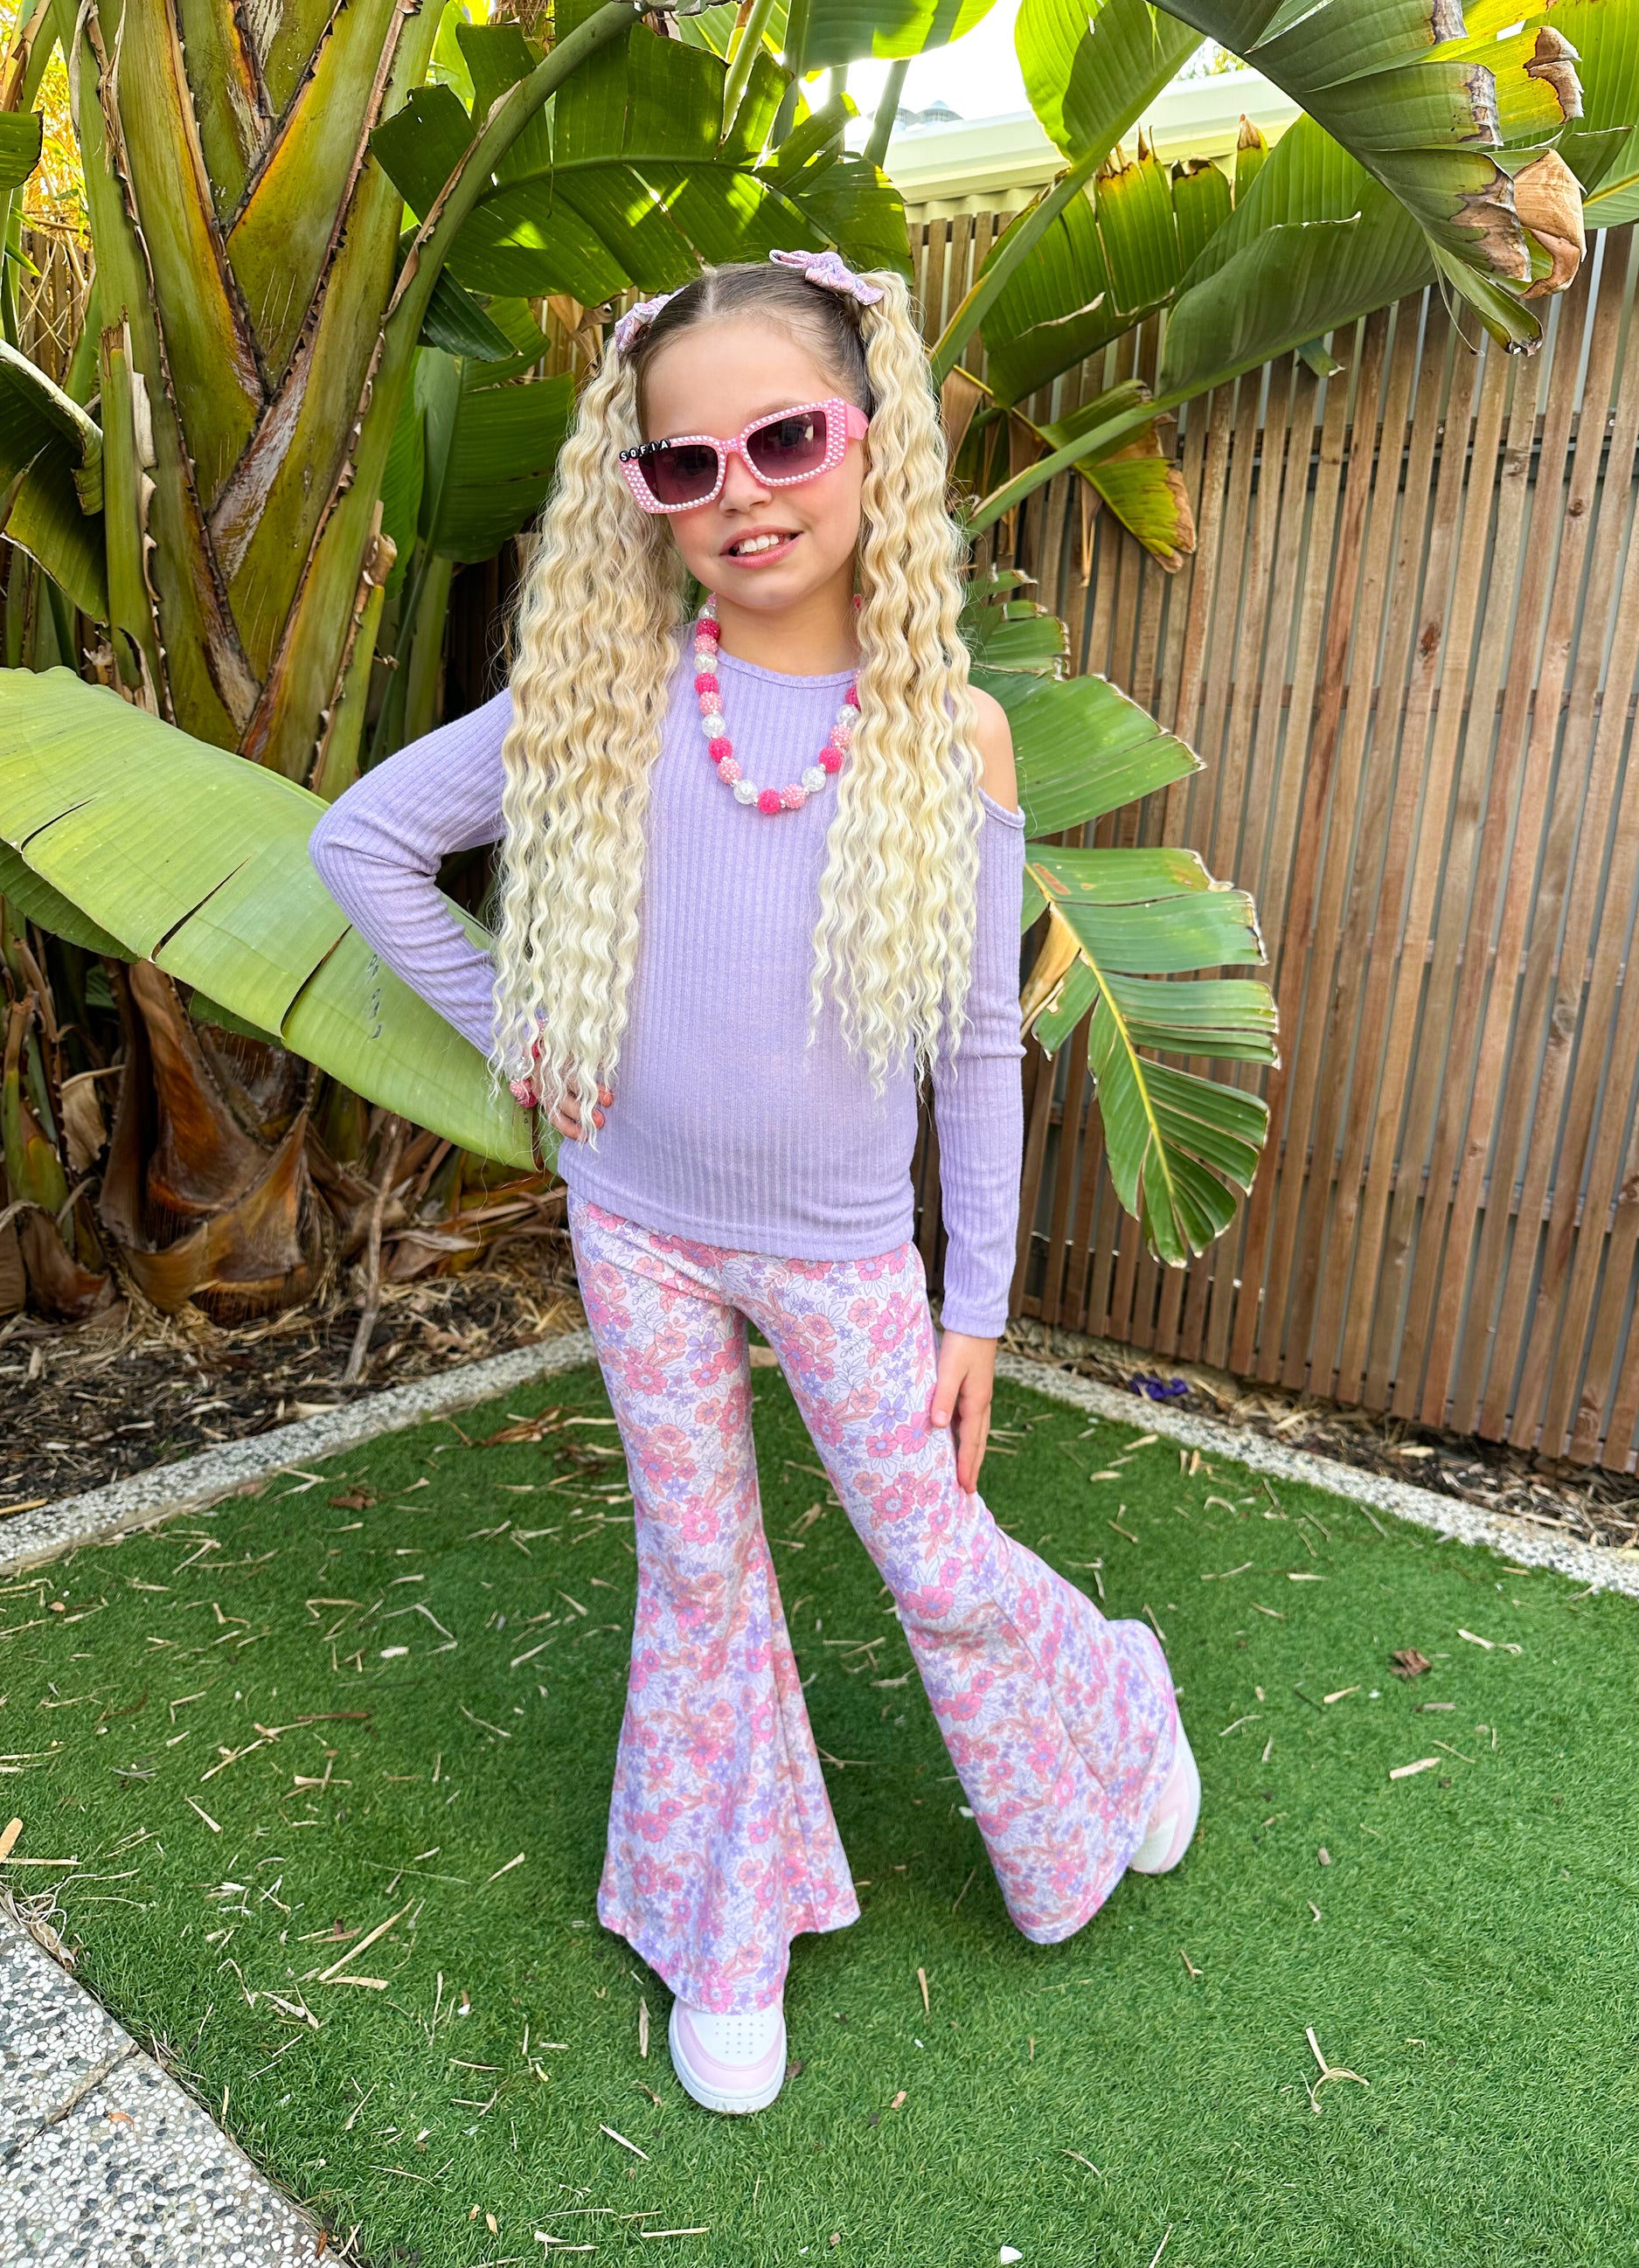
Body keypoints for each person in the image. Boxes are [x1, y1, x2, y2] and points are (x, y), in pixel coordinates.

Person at [308, 251, 1199, 2119]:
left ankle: (1117, 1697)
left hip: (844, 1253)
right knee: (699, 1573)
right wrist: (529, 1031)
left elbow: (977, 1041)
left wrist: (977, 1310)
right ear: (639, 490)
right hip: (633, 1225)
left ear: (871, 438)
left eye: (782, 439)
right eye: (683, 462)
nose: (740, 494)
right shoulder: (607, 696)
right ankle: (725, 1922)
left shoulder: (945, 735)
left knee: (932, 1561)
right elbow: (366, 842)